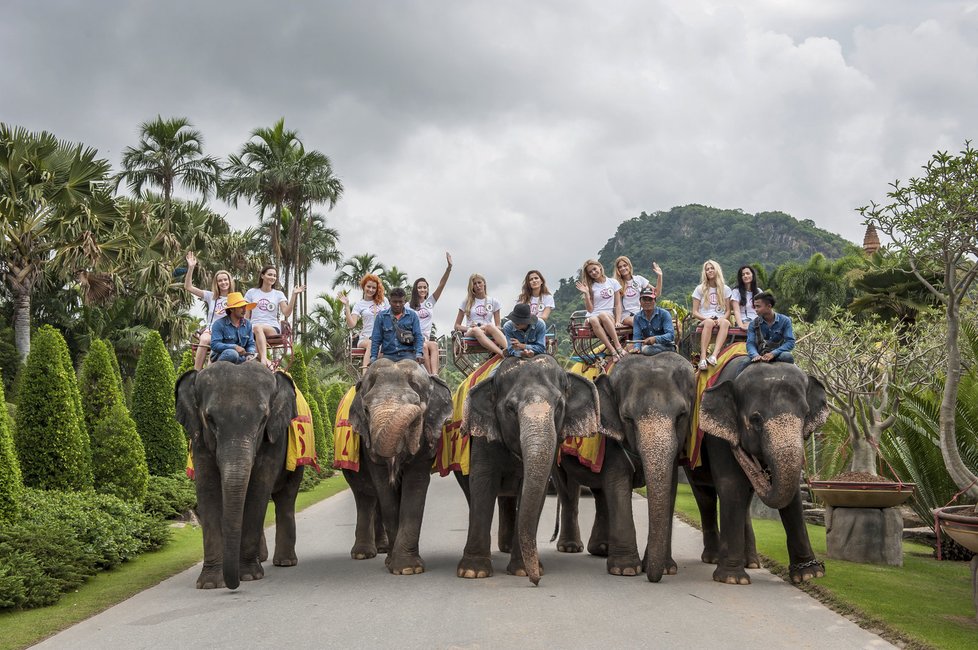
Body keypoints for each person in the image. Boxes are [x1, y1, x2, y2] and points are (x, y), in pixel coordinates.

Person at [183, 251, 236, 370]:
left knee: (218, 345)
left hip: (228, 332)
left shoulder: (235, 298)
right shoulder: (211, 296)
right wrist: (191, 268)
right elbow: (188, 287)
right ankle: (196, 372)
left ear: (230, 281)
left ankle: (209, 371)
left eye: (225, 280)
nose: (223, 283)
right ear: (216, 283)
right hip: (211, 330)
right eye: (220, 280)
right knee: (205, 339)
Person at [245, 266, 305, 368]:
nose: (272, 277)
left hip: (271, 327)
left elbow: (286, 313)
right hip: (253, 329)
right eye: (270, 274)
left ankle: (263, 358)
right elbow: (246, 315)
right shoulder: (251, 292)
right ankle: (268, 363)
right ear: (262, 276)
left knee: (257, 328)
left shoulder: (278, 294)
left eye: (274, 275)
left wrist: (294, 295)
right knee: (254, 331)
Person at [575, 259, 626, 362]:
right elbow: (590, 309)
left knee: (603, 315)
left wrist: (618, 320)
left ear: (600, 267)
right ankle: (613, 350)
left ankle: (617, 345)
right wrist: (586, 294)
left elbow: (617, 304)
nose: (593, 272)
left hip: (608, 315)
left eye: (594, 269)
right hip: (594, 315)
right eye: (590, 272)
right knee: (593, 319)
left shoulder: (613, 282)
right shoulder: (590, 287)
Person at [411, 252, 453, 375]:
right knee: (423, 346)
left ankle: (435, 375)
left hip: (427, 338)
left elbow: (442, 284)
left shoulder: (430, 302)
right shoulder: (409, 306)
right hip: (415, 339)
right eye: (420, 287)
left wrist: (449, 268)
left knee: (434, 344)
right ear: (415, 289)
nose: (422, 290)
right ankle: (429, 375)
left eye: (425, 287)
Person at [339, 274, 389, 370]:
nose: (371, 290)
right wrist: (347, 307)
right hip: (366, 338)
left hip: (383, 338)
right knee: (372, 343)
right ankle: (365, 375)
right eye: (368, 286)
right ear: (363, 286)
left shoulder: (383, 301)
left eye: (374, 287)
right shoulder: (359, 305)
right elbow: (351, 325)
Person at [691, 259, 732, 371]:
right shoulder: (699, 289)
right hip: (704, 319)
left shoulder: (726, 289)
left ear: (717, 270)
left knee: (725, 322)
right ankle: (703, 357)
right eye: (707, 269)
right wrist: (706, 318)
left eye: (712, 268)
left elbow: (728, 311)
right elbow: (694, 312)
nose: (709, 270)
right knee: (709, 322)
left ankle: (714, 355)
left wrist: (721, 318)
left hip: (720, 318)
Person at [454, 273, 507, 357]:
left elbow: (498, 326)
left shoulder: (494, 301)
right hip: (471, 331)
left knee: (490, 326)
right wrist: (470, 328)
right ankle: (501, 353)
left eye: (479, 282)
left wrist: (483, 327)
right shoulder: (466, 302)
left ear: (484, 283)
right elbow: (457, 326)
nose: (478, 286)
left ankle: (509, 349)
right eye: (474, 284)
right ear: (472, 287)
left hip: (486, 329)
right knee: (476, 330)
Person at [368, 287, 424, 367]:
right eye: (395, 302)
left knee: (423, 376)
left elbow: (418, 336)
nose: (398, 305)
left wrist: (419, 354)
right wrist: (373, 358)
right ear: (390, 301)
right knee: (370, 377)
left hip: (408, 356)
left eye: (400, 302)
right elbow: (376, 339)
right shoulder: (381, 316)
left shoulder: (413, 316)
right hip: (388, 356)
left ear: (404, 302)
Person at [745, 292, 795, 367]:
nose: (756, 309)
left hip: (778, 355)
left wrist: (773, 353)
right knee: (743, 362)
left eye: (758, 306)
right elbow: (750, 343)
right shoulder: (753, 324)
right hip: (759, 355)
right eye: (755, 307)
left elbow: (790, 342)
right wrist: (755, 355)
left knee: (787, 356)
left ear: (769, 306)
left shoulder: (785, 321)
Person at [613, 256, 663, 326]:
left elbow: (656, 293)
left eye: (625, 265)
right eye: (620, 267)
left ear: (629, 266)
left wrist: (659, 276)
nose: (623, 268)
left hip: (641, 312)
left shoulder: (639, 279)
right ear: (617, 270)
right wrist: (617, 321)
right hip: (626, 315)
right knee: (637, 321)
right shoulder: (616, 283)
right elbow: (618, 304)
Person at [209, 292, 257, 364]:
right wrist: (234, 347)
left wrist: (250, 354)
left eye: (244, 307)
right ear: (231, 309)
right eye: (241, 307)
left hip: (242, 358)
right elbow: (215, 345)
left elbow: (251, 344)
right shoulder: (218, 324)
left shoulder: (248, 324)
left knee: (256, 363)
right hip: (222, 356)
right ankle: (215, 371)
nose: (244, 310)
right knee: (232, 354)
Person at [629, 287, 675, 355]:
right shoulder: (637, 317)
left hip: (666, 346)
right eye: (644, 299)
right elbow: (637, 337)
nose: (647, 302)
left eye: (650, 299)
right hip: (650, 347)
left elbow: (670, 336)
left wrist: (655, 339)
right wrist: (637, 347)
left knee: (646, 350)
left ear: (655, 301)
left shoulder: (664, 314)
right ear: (640, 302)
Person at [730, 265, 764, 329]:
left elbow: (762, 310)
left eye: (748, 273)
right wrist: (741, 326)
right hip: (743, 321)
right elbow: (736, 311)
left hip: (757, 322)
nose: (745, 276)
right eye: (743, 275)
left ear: (752, 275)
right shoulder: (736, 291)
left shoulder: (759, 291)